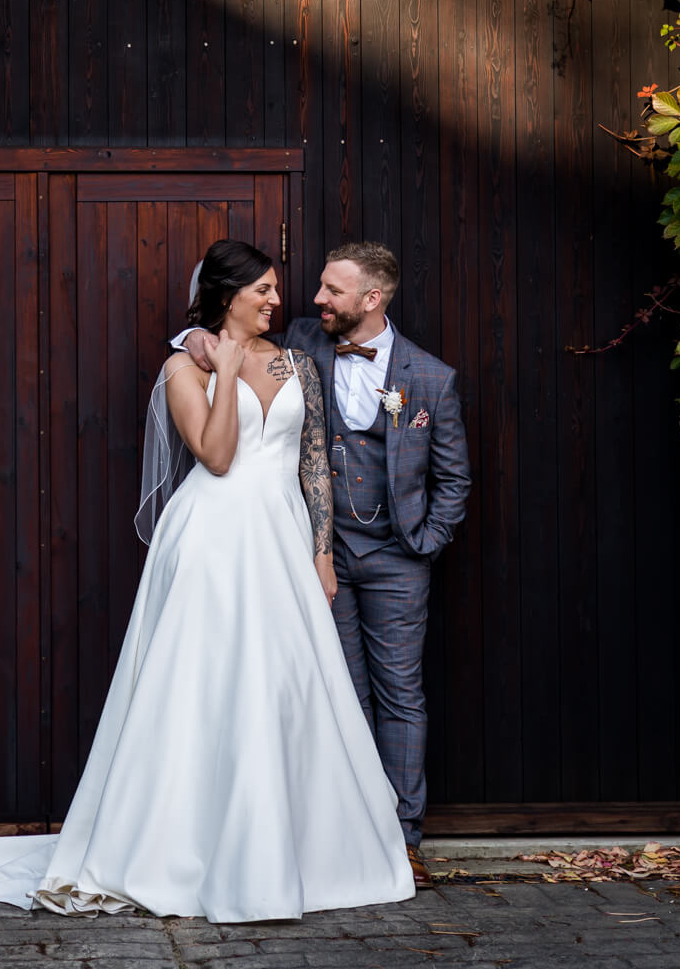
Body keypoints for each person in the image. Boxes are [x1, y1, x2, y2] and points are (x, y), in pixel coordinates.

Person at [0, 239, 414, 922]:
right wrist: (224, 371)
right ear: (227, 296)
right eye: (262, 290)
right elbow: (219, 456)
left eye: (276, 290)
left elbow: (314, 460)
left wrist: (322, 551)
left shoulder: (297, 363)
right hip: (212, 538)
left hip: (281, 538)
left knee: (286, 684)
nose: (276, 301)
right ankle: (183, 848)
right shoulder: (181, 368)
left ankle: (298, 851)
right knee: (204, 682)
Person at [174, 241, 471, 888]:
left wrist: (424, 541)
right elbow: (214, 333)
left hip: (393, 558)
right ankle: (348, 827)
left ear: (372, 299)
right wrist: (199, 341)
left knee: (399, 696)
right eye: (305, 290)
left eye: (332, 291)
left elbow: (454, 479)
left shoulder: (429, 378)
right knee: (336, 695)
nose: (311, 301)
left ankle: (403, 836)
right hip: (310, 550)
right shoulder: (304, 339)